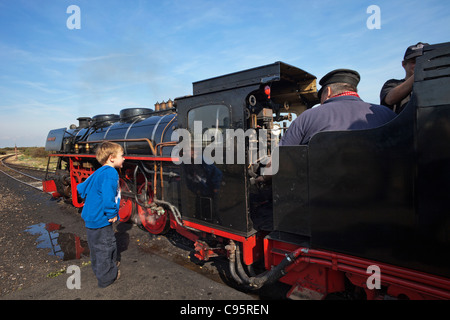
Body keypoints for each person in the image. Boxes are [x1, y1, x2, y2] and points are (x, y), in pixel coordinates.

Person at [279, 69, 397, 146]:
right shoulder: (388, 115)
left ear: (328, 92)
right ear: (354, 90)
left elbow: (281, 160)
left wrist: (263, 178)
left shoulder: (306, 118)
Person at [77, 141, 125, 288]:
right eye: (121, 156)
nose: (124, 158)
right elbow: (108, 196)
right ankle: (107, 278)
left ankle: (100, 270)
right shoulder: (111, 173)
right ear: (112, 158)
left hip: (91, 218)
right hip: (101, 218)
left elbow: (82, 188)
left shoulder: (100, 171)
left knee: (96, 247)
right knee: (106, 246)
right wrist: (111, 213)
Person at [380, 42, 429, 114]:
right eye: (414, 62)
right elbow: (390, 99)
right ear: (403, 64)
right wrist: (419, 73)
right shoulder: (392, 84)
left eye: (424, 60)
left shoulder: (442, 83)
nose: (420, 64)